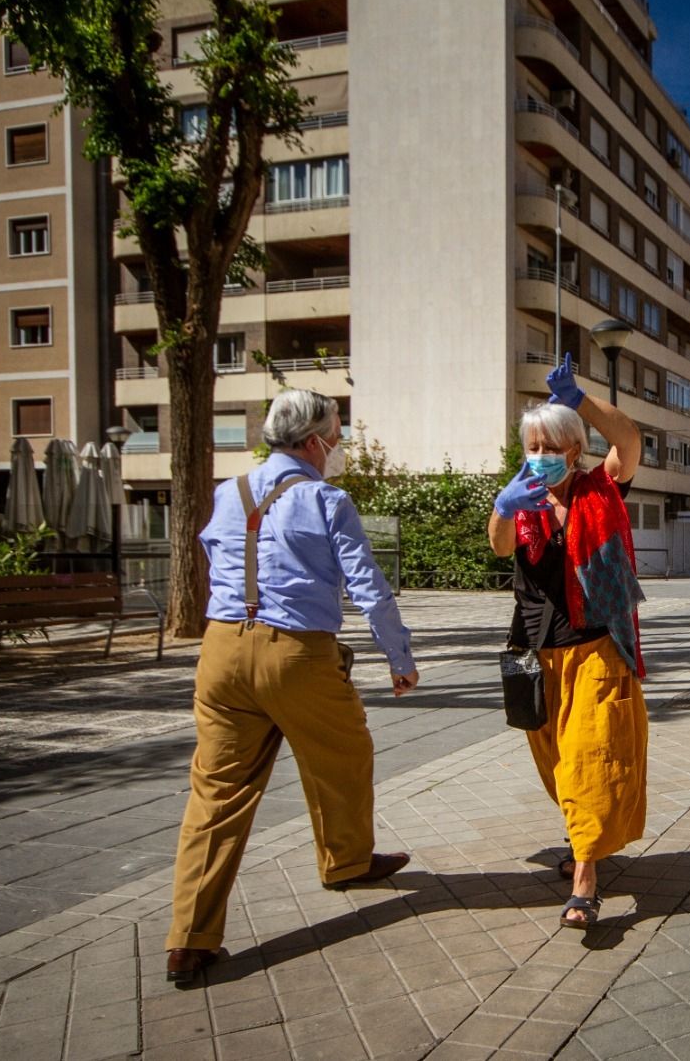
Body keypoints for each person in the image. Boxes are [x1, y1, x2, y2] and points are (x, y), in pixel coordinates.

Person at [165, 389, 420, 985]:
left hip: (222, 648)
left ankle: (188, 940)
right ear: (314, 441)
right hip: (298, 652)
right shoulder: (325, 499)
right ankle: (347, 861)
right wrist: (399, 657)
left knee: (216, 795)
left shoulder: (230, 492)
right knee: (345, 753)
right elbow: (369, 586)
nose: (337, 449)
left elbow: (212, 555)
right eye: (336, 437)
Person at [488, 354, 647, 929]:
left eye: (549, 447)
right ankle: (585, 837)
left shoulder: (602, 486)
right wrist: (505, 509)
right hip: (535, 651)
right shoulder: (520, 497)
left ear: (573, 450)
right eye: (531, 446)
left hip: (598, 644)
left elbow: (628, 438)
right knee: (557, 764)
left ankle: (585, 879)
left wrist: (577, 398)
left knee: (589, 758)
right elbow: (501, 547)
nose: (538, 457)